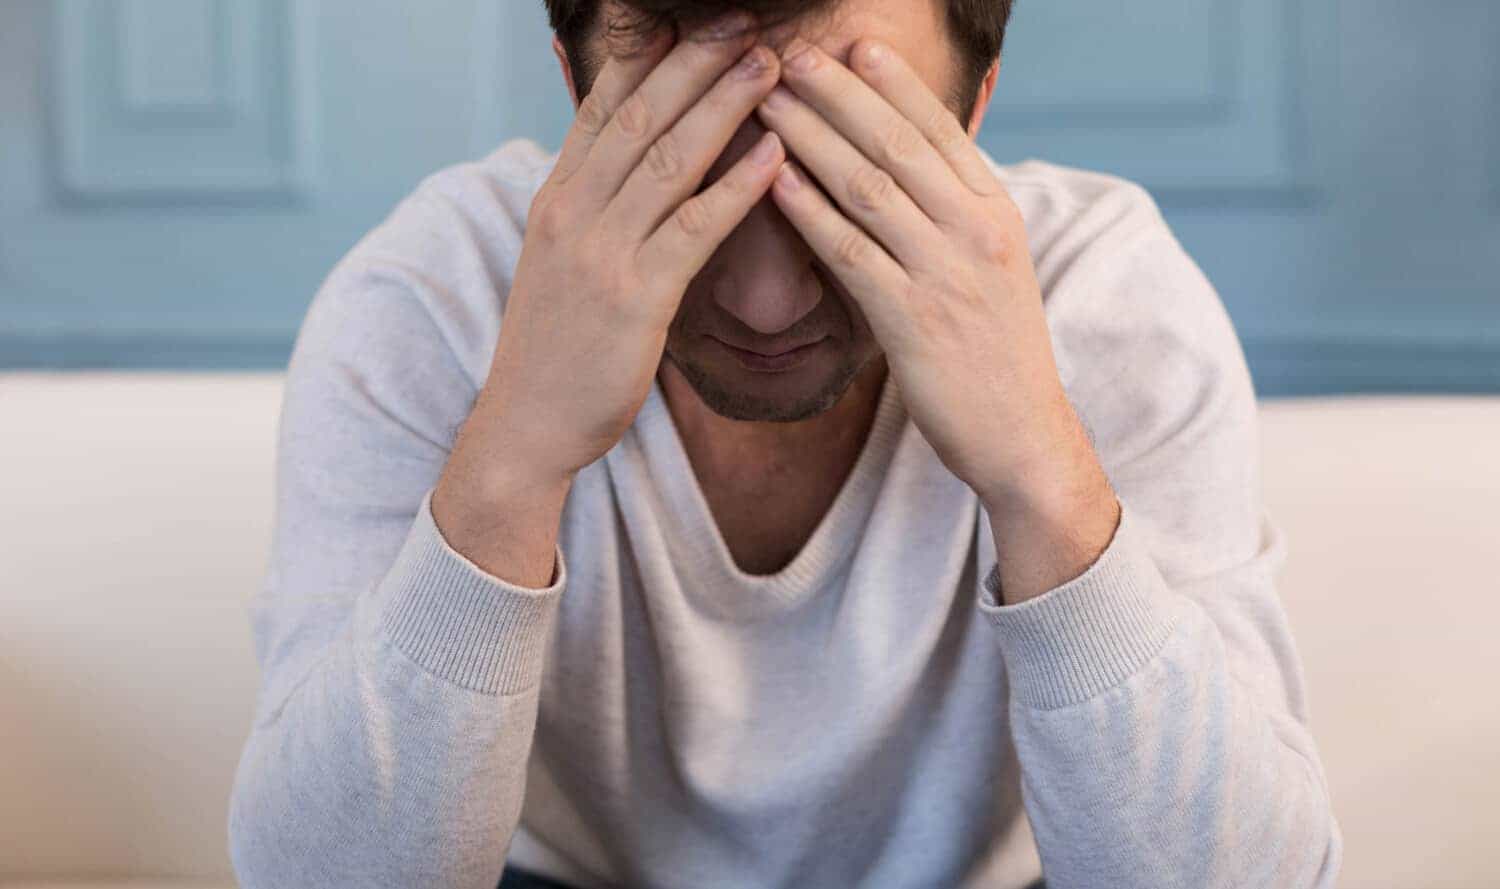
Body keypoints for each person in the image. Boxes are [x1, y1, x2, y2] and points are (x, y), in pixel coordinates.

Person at [226, 0, 1343, 886]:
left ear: (977, 108)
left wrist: (1041, 473)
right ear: (578, 95)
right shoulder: (431, 295)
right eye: (697, 162)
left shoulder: (1107, 301)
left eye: (851, 170)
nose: (768, 305)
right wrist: (513, 454)